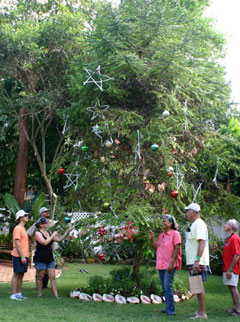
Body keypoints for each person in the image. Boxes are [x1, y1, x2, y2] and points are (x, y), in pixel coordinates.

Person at [149, 214, 182, 316]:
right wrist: (151, 239)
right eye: (163, 221)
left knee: (167, 286)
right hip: (161, 264)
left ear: (171, 223)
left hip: (170, 264)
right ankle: (168, 309)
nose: (163, 223)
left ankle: (171, 311)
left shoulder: (175, 234)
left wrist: (172, 264)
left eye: (165, 221)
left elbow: (177, 248)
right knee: (164, 287)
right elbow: (157, 247)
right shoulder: (161, 235)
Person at [34, 217, 72, 298]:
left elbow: (59, 239)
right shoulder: (38, 233)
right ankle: (39, 294)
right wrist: (53, 235)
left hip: (49, 258)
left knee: (52, 277)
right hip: (40, 258)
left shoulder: (49, 233)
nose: (48, 223)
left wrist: (66, 233)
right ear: (41, 225)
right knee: (40, 277)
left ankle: (56, 295)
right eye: (46, 222)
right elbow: (44, 242)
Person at [185, 203, 209, 320]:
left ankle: (203, 313)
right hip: (194, 260)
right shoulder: (195, 224)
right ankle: (200, 310)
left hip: (197, 261)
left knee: (198, 286)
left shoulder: (199, 224)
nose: (186, 213)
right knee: (196, 286)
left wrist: (197, 261)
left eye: (188, 211)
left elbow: (202, 242)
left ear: (193, 212)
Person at [27, 207, 55, 288]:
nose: (47, 213)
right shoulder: (38, 223)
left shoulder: (49, 222)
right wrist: (32, 243)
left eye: (47, 211)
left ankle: (45, 285)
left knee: (48, 268)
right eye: (45, 212)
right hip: (40, 249)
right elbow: (28, 233)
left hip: (49, 248)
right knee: (40, 268)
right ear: (41, 214)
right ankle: (39, 285)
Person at [10, 210, 29, 301]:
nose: (27, 217)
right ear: (20, 218)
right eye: (25, 215)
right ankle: (13, 295)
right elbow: (17, 243)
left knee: (21, 274)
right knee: (16, 274)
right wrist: (21, 256)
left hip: (24, 254)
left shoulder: (23, 228)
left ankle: (18, 293)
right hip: (18, 255)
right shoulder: (17, 228)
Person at [222, 219, 240, 316]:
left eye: (227, 223)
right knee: (231, 286)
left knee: (233, 287)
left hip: (232, 269)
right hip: (227, 268)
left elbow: (237, 255)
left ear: (232, 227)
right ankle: (234, 307)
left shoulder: (235, 238)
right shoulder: (229, 238)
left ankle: (238, 309)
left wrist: (230, 269)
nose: (225, 225)